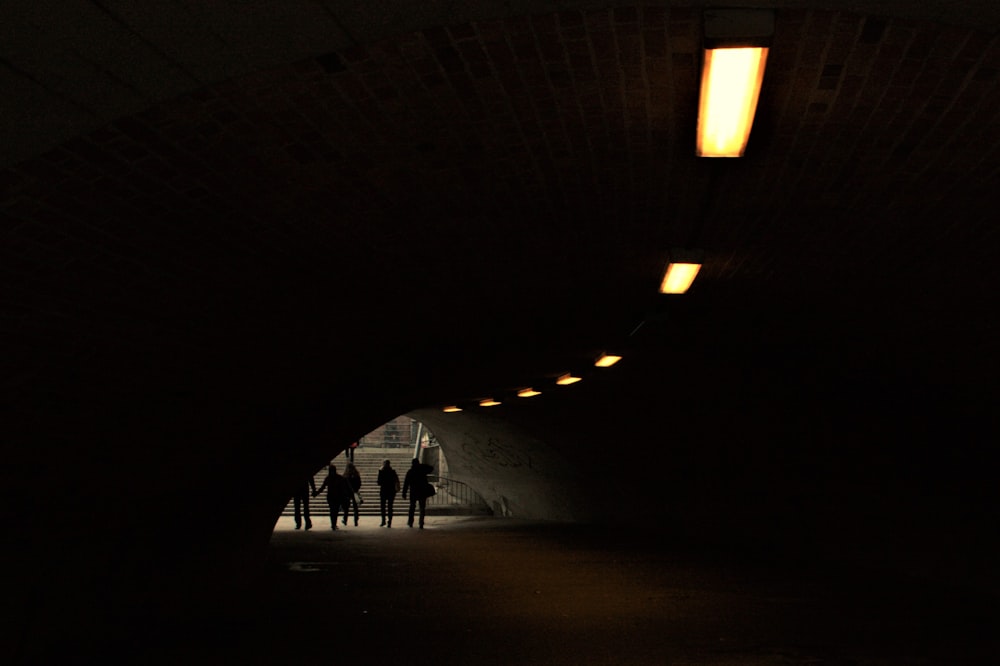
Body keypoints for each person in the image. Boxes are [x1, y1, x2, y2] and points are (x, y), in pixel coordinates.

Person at [313, 464, 352, 530]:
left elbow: (322, 487)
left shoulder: (329, 478)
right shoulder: (339, 478)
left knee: (333, 511)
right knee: (334, 511)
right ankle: (333, 524)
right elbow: (344, 487)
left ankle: (333, 524)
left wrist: (316, 493)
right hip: (336, 497)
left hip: (332, 497)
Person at [401, 457, 435, 529]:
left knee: (412, 507)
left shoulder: (410, 471)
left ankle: (410, 522)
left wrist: (404, 493)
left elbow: (406, 483)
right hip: (422, 491)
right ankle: (421, 523)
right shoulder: (422, 470)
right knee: (422, 507)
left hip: (413, 491)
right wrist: (421, 465)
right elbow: (431, 468)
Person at [376, 459, 400, 527]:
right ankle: (389, 521)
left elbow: (379, 482)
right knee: (390, 507)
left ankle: (383, 520)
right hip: (391, 491)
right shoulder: (393, 472)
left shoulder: (381, 472)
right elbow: (396, 481)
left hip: (383, 491)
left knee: (383, 507)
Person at [344, 462, 362, 527]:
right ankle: (356, 520)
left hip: (348, 493)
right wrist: (356, 489)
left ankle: (345, 520)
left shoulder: (346, 475)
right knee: (355, 507)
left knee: (346, 507)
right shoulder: (356, 474)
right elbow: (360, 483)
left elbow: (344, 484)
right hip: (355, 492)